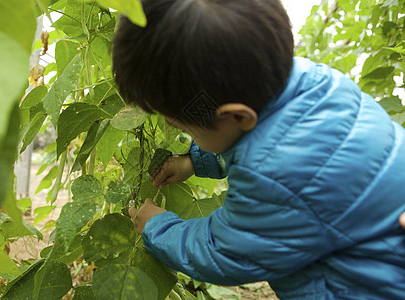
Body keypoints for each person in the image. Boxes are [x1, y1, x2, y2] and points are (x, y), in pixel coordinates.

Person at [112, 0, 405, 298]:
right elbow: (264, 138)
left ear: (237, 115)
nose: (188, 135)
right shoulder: (315, 83)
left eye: (186, 129)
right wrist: (194, 161)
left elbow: (225, 253)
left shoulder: (278, 177)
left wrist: (157, 227)